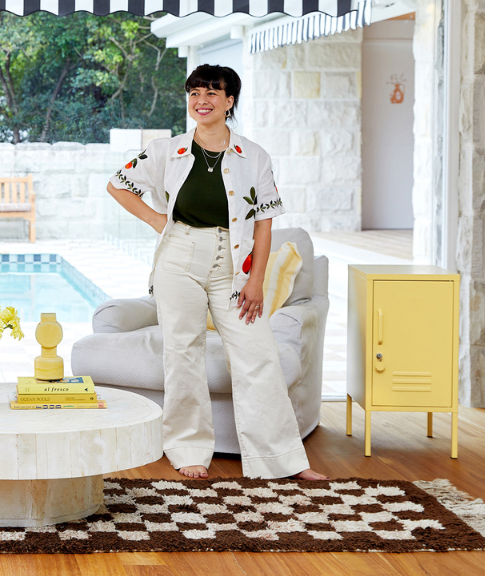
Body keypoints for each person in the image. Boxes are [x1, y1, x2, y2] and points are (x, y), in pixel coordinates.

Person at [106, 64, 327, 481]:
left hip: (233, 263)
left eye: (212, 92)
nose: (201, 100)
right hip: (178, 258)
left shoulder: (253, 156)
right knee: (182, 353)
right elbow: (118, 184)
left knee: (257, 355)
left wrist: (256, 279)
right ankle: (188, 449)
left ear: (229, 102)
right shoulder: (164, 150)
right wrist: (158, 221)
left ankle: (282, 460)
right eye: (194, 92)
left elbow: (264, 222)